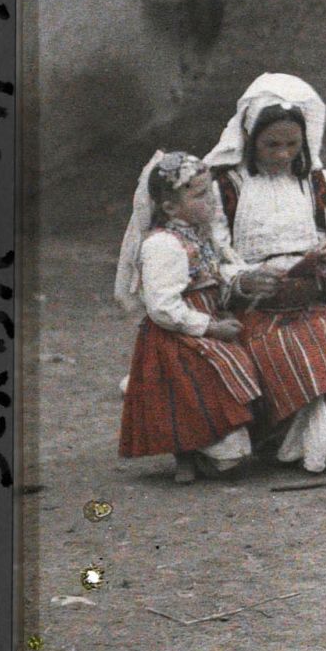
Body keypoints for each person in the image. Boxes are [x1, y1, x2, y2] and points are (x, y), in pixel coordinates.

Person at [203, 73, 326, 473]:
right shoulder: (223, 188)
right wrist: (244, 278)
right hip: (255, 310)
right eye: (272, 145)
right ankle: (324, 443)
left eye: (292, 145)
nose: (283, 154)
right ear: (250, 140)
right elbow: (210, 255)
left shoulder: (320, 184)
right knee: (293, 344)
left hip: (310, 300)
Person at [115, 151, 274, 483]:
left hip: (204, 325)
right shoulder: (163, 245)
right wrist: (210, 328)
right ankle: (190, 452)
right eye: (200, 195)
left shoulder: (200, 236)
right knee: (194, 385)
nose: (211, 201)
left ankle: (205, 448)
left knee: (238, 366)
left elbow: (220, 270)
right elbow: (161, 307)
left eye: (211, 192)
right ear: (171, 207)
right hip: (177, 335)